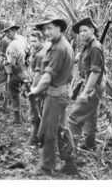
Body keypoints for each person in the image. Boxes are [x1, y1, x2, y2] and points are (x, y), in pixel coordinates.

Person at [28, 17, 77, 176]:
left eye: (50, 28)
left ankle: (46, 168)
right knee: (60, 129)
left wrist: (35, 90)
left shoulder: (58, 49)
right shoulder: (63, 44)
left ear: (59, 29)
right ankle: (70, 163)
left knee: (46, 133)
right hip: (61, 93)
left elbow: (48, 77)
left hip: (55, 97)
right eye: (45, 29)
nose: (46, 32)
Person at [68, 18, 105, 151]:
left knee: (74, 117)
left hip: (93, 87)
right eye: (80, 31)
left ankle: (69, 153)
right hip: (91, 84)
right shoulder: (87, 45)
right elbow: (86, 58)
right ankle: (89, 144)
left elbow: (95, 73)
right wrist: (79, 56)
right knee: (90, 115)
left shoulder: (95, 47)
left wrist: (85, 92)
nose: (82, 33)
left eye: (85, 30)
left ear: (92, 30)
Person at [0, 20, 28, 124]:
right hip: (24, 69)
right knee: (21, 93)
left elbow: (10, 62)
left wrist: (6, 68)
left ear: (12, 31)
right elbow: (29, 51)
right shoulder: (22, 39)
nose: (6, 34)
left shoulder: (11, 45)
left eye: (7, 32)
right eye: (5, 32)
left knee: (14, 94)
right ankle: (20, 114)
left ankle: (17, 118)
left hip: (14, 71)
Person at [26, 30, 51, 145]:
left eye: (35, 41)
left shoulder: (40, 54)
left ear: (41, 41)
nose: (32, 43)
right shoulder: (41, 49)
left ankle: (34, 137)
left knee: (34, 110)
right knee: (41, 109)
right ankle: (41, 134)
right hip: (46, 83)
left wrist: (33, 89)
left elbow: (39, 74)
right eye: (31, 41)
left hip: (40, 83)